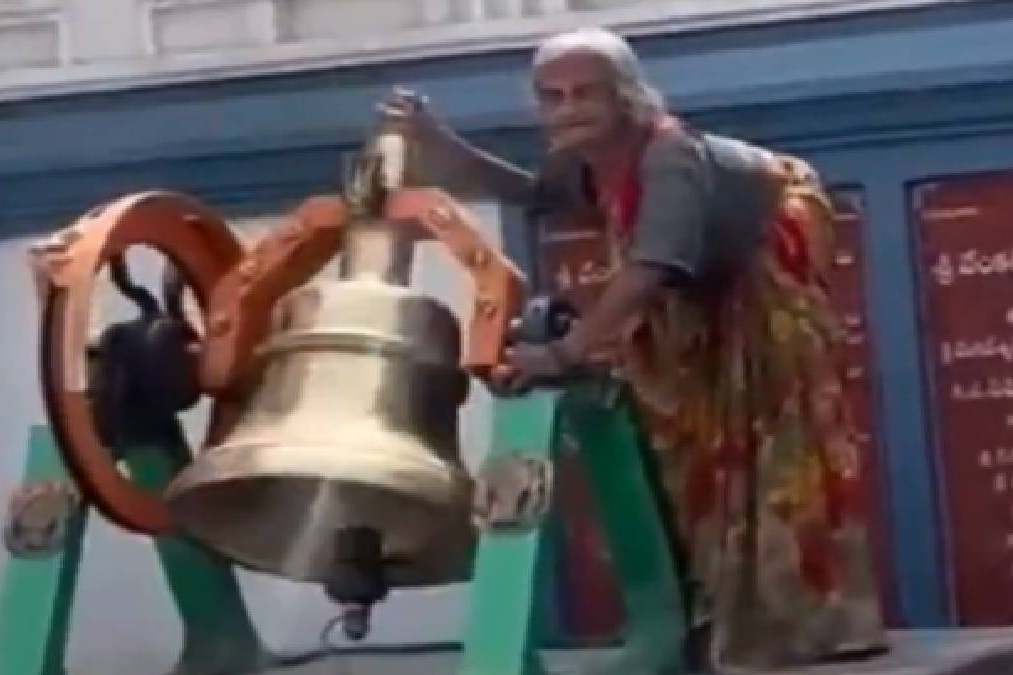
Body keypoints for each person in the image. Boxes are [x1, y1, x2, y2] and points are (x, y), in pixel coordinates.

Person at [380, 26, 889, 674]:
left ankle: (799, 626)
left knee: (773, 460)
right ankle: (712, 614)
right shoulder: (584, 160)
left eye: (584, 94)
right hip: (700, 305)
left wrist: (566, 353)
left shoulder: (671, 157)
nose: (567, 109)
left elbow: (653, 265)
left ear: (626, 96)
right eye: (551, 97)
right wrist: (438, 145)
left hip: (760, 306)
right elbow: (539, 196)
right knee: (694, 458)